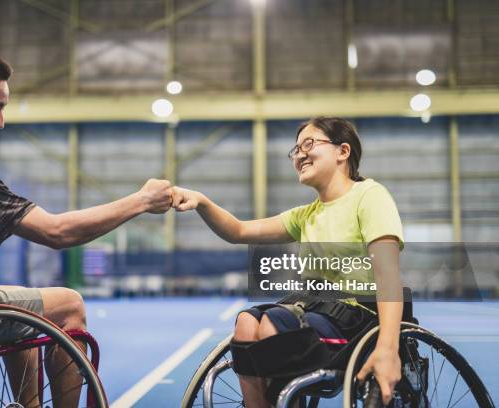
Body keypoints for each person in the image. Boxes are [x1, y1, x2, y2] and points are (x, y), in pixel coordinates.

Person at [0, 45, 172, 407]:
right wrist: (142, 201)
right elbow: (57, 232)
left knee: (20, 304)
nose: (1, 122)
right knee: (68, 304)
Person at [172, 116, 404, 407]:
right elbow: (238, 231)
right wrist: (201, 201)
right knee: (246, 322)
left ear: (343, 151)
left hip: (358, 320)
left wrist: (388, 347)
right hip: (315, 311)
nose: (300, 154)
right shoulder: (305, 215)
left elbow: (387, 274)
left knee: (273, 323)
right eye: (295, 149)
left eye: (309, 143)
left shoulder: (370, 196)